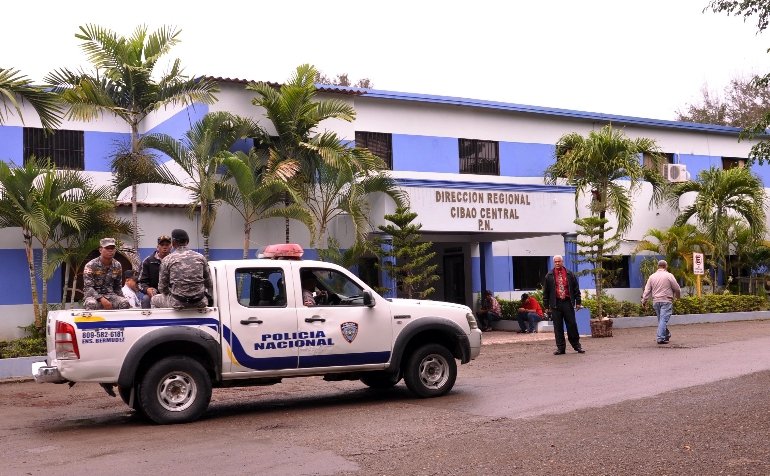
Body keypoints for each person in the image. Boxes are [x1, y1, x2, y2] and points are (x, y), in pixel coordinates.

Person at [151, 229, 213, 309]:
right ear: (187, 241)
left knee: (154, 299)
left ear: (173, 243)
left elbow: (162, 288)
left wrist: (173, 293)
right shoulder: (200, 257)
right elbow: (209, 284)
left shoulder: (167, 259)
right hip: (199, 302)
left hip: (177, 303)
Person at [542, 254, 585, 355]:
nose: (557, 263)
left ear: (562, 262)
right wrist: (546, 306)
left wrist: (578, 302)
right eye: (555, 262)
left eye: (559, 261)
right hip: (555, 304)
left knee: (572, 325)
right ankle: (561, 348)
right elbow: (546, 292)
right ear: (554, 263)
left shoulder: (570, 274)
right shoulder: (549, 275)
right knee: (558, 327)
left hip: (567, 302)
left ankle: (577, 346)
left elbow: (576, 289)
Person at [83, 238, 131, 310]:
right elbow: (88, 287)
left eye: (112, 248)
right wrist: (101, 299)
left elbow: (118, 287)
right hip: (93, 297)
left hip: (110, 296)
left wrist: (123, 299)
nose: (110, 250)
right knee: (91, 304)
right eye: (107, 248)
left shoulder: (117, 265)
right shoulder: (91, 265)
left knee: (124, 303)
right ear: (100, 250)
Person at [641, 259, 682, 344]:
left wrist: (644, 301)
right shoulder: (669, 275)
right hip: (666, 301)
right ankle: (660, 338)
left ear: (658, 266)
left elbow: (647, 290)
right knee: (663, 320)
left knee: (661, 320)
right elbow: (677, 288)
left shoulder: (652, 276)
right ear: (666, 266)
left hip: (656, 302)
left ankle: (666, 335)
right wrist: (678, 297)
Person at [137, 234, 173, 308]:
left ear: (171, 247)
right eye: (162, 245)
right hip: (154, 294)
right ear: (157, 247)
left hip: (172, 293)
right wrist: (147, 289)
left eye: (167, 245)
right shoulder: (147, 261)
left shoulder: (175, 261)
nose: (164, 247)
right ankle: (146, 316)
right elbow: (140, 282)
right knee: (145, 299)